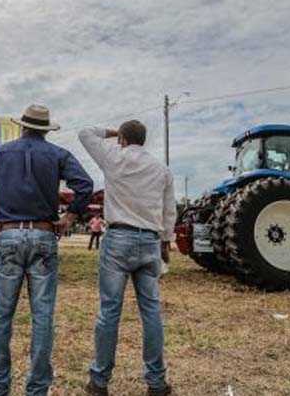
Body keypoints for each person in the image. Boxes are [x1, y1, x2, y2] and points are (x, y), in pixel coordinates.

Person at [0, 104, 93, 396]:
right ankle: (37, 388)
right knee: (43, 315)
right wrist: (69, 217)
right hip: (43, 235)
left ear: (22, 126)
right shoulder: (58, 154)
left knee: (1, 314)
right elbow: (84, 185)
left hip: (9, 235)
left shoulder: (0, 153)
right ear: (45, 129)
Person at [78, 120, 177, 396]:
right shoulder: (162, 169)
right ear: (143, 140)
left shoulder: (113, 157)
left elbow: (85, 132)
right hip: (150, 241)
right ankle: (156, 382)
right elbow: (169, 211)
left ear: (122, 138)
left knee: (109, 311)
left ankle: (100, 381)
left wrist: (110, 132)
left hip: (118, 239)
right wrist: (165, 242)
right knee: (152, 312)